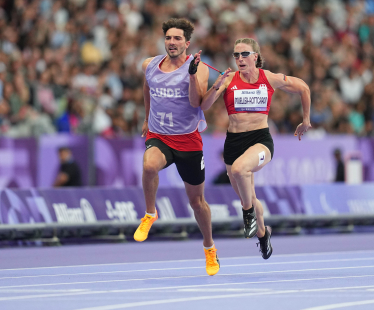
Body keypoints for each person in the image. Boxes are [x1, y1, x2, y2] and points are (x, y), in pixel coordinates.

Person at [200, 38, 311, 260]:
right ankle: (262, 234)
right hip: (233, 143)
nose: (240, 59)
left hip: (260, 140)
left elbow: (303, 88)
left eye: (244, 54)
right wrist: (216, 85)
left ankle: (247, 213)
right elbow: (203, 106)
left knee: (241, 170)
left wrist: (306, 119)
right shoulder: (228, 79)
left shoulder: (268, 78)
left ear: (256, 57)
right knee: (248, 195)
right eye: (236, 55)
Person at [133, 18, 220, 276]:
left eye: (177, 39)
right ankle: (150, 214)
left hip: (188, 140)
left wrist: (192, 75)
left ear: (187, 43)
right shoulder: (149, 65)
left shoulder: (201, 68)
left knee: (197, 202)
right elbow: (147, 90)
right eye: (168, 38)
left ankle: (209, 248)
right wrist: (147, 119)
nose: (172, 42)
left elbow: (197, 103)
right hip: (160, 136)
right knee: (149, 165)